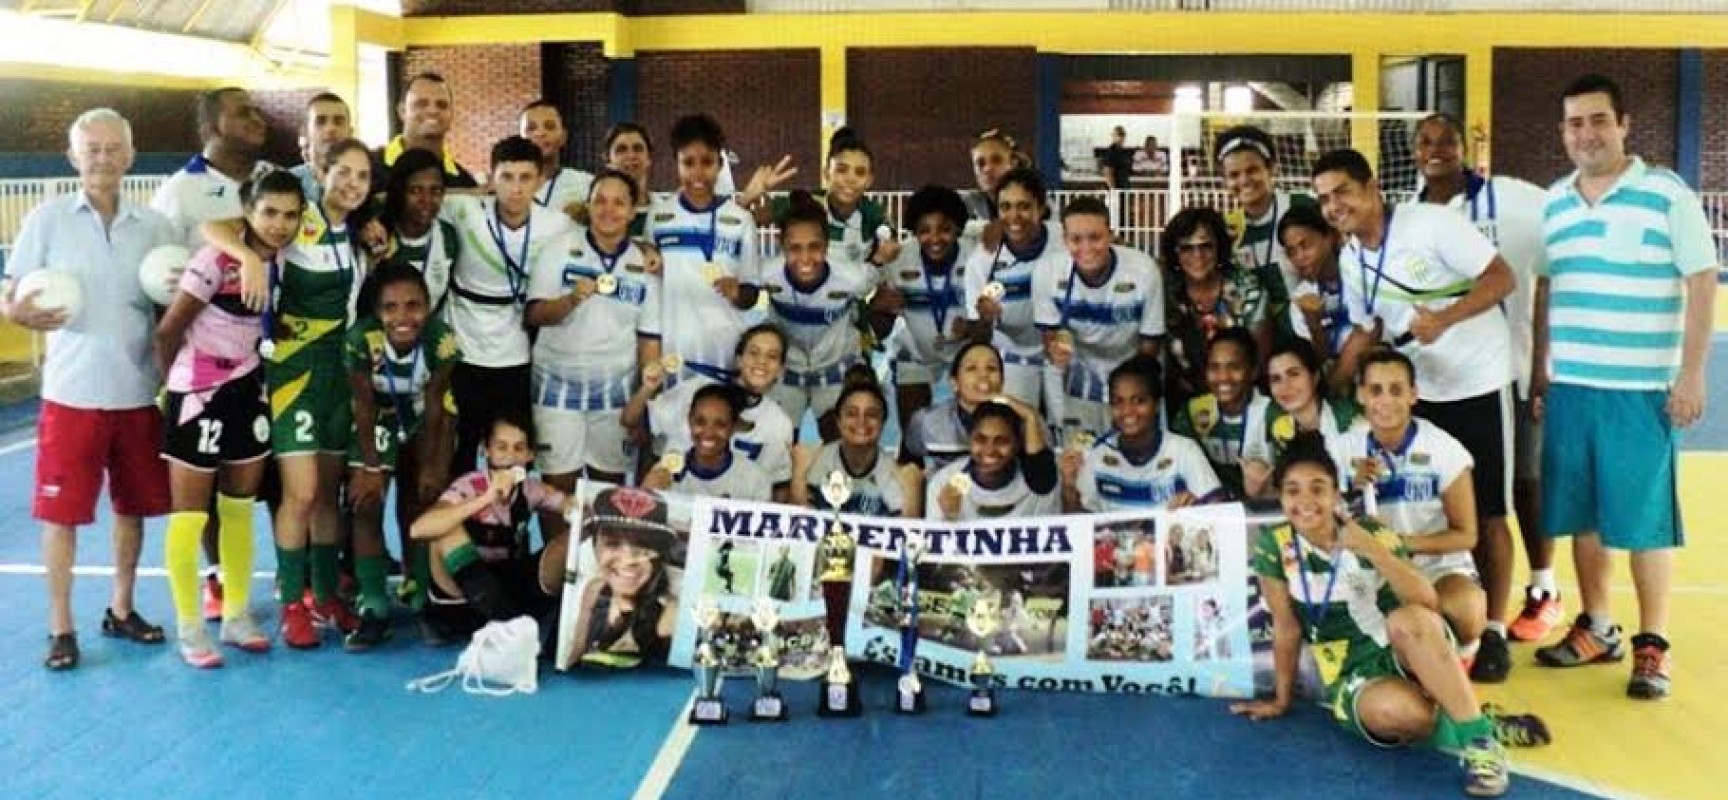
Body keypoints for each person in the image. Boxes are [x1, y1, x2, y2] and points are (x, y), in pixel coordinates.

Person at [1531, 74, 1718, 700]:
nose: (1586, 133)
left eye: (1597, 120)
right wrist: (1541, 372)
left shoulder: (1667, 196)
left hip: (1640, 391)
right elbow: (1545, 288)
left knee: (1642, 523)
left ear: (1624, 124)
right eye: (1574, 122)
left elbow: (1701, 280)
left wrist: (1692, 373)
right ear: (1563, 133)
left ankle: (1653, 643)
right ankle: (1598, 627)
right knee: (1582, 517)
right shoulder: (1554, 203)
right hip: (1572, 388)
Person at [1231, 432, 1550, 798]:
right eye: (1293, 490)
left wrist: (1373, 550)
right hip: (1350, 669)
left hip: (1403, 647)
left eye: (1317, 488)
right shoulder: (1275, 545)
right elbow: (1286, 628)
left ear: (1336, 493)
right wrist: (1281, 699)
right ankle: (1478, 721)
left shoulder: (1369, 530)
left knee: (1410, 619)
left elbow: (1426, 601)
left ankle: (1480, 744)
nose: (1305, 501)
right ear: (1281, 496)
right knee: (1405, 716)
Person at [1312, 147, 1520, 683]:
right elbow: (1367, 330)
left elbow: (1502, 278)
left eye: (1342, 193)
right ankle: (1428, 615)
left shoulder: (1431, 223)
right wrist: (1330, 383)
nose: (1334, 206)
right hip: (1415, 394)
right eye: (1324, 200)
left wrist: (1446, 318)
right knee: (1414, 497)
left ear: (1372, 187)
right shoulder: (1353, 258)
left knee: (1490, 511)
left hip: (1478, 380)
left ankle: (1493, 629)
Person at [3, 109, 177, 670]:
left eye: (112, 148)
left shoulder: (155, 228)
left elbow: (175, 299)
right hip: (71, 396)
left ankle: (121, 608)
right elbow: (11, 295)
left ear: (129, 155)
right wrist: (17, 312)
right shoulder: (46, 220)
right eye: (91, 149)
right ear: (74, 157)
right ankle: (61, 627)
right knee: (62, 516)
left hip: (136, 393)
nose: (102, 158)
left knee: (133, 509)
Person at [202, 137, 376, 647]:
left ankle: (325, 597)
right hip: (292, 375)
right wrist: (247, 258)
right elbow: (212, 225)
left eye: (362, 176)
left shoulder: (358, 235)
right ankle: (291, 604)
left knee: (326, 495)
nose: (351, 183)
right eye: (343, 171)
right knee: (298, 494)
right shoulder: (300, 220)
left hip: (337, 377)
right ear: (322, 172)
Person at [1407, 112, 1564, 646]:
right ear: (1412, 151)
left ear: (1465, 147)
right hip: (1441, 380)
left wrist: (1543, 361)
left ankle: (1543, 589)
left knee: (1524, 484)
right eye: (1426, 142)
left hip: (1513, 369)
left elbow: (1546, 272)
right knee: (1459, 494)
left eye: (1446, 140)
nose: (1437, 149)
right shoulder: (1410, 213)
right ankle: (1469, 600)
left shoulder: (1513, 198)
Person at [153, 169, 304, 667]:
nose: (280, 224)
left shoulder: (281, 258)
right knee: (191, 513)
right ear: (249, 212)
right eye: (269, 213)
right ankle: (191, 626)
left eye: (290, 214)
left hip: (247, 390)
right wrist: (168, 396)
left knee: (239, 506)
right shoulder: (215, 259)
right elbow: (168, 330)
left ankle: (237, 614)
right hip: (196, 393)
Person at [1330, 350, 1488, 670]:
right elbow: (1318, 519)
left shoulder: (1445, 449)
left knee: (1465, 609)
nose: (1385, 400)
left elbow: (1467, 535)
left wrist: (1402, 543)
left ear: (1414, 395)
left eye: (1396, 390)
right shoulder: (1340, 449)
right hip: (1368, 571)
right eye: (1375, 390)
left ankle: (1457, 658)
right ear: (1360, 395)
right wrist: (1348, 491)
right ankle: (1411, 663)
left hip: (1436, 567)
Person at [526, 167, 661, 514]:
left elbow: (648, 339)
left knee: (608, 490)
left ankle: (597, 564)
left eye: (619, 203)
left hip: (614, 391)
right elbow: (534, 315)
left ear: (633, 211)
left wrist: (644, 400)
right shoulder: (558, 250)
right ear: (587, 206)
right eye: (599, 200)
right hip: (555, 386)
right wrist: (568, 301)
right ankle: (554, 568)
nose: (608, 210)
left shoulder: (644, 266)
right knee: (558, 490)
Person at [441, 136, 574, 476]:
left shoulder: (556, 224)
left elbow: (599, 238)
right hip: (464, 347)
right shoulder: (465, 209)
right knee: (464, 445)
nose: (516, 189)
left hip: (516, 348)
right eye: (507, 177)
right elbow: (415, 197)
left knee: (512, 446)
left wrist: (645, 249)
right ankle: (462, 524)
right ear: (491, 176)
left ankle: (508, 524)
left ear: (541, 180)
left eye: (525, 178)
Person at [343, 264, 459, 650]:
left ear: (428, 307)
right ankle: (374, 605)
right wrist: (371, 467)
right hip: (376, 415)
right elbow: (361, 405)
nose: (403, 316)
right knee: (366, 504)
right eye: (390, 307)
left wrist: (430, 467)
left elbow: (435, 407)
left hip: (425, 415)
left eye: (413, 306)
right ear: (377, 311)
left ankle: (420, 593)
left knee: (423, 503)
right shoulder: (361, 339)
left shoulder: (441, 340)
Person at [410, 412, 574, 648]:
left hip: (505, 589)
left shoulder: (532, 489)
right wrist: (486, 498)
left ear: (530, 456)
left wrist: (573, 510)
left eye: (519, 449)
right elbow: (418, 529)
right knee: (446, 531)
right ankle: (510, 630)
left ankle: (565, 629)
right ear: (485, 451)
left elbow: (570, 503)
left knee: (574, 537)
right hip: (461, 599)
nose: (510, 457)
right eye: (501, 448)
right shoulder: (468, 486)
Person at [644, 113, 762, 386]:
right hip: (674, 352)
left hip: (726, 351)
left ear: (720, 164)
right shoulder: (658, 218)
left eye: (707, 162)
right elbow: (651, 285)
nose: (698, 173)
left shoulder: (741, 220)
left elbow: (752, 293)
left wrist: (738, 292)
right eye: (688, 163)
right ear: (677, 164)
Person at [1034, 195, 1163, 437]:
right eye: (1076, 239)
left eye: (1095, 238)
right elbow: (1049, 335)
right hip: (1081, 369)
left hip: (1131, 362)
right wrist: (1056, 350)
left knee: (1134, 445)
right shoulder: (1047, 272)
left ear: (1111, 235)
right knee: (1080, 451)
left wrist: (1131, 387)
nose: (1086, 248)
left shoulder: (1144, 270)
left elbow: (1151, 343)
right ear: (1064, 240)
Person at [627, 322, 795, 500]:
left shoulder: (779, 424)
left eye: (772, 356)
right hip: (675, 504)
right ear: (739, 359)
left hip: (730, 518)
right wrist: (647, 389)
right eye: (753, 353)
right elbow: (631, 421)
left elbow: (778, 490)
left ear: (781, 369)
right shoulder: (695, 390)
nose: (761, 361)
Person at [761, 190, 880, 428]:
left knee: (840, 443)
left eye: (814, 247)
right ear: (781, 245)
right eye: (794, 248)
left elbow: (877, 275)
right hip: (787, 373)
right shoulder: (765, 273)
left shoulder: (852, 277)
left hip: (835, 371)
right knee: (777, 441)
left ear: (827, 245)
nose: (805, 258)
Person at [870, 185, 973, 434]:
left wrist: (975, 326)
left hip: (965, 351)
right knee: (912, 438)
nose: (935, 239)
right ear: (914, 231)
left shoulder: (975, 257)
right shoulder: (898, 259)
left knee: (975, 434)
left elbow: (994, 323)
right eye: (924, 231)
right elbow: (879, 331)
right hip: (916, 351)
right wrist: (877, 308)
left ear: (958, 228)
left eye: (945, 230)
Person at [1063, 354, 1221, 513]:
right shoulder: (1098, 455)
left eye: (1139, 401)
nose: (1128, 411)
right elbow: (1079, 525)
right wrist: (1069, 489)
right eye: (1118, 402)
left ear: (1157, 405)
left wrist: (1197, 507)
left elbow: (1218, 510)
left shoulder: (1183, 450)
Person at [962, 167, 1066, 406]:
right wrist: (985, 319)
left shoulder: (1065, 240)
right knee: (1016, 430)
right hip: (1012, 355)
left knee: (1068, 430)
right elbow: (978, 336)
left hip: (1064, 351)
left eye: (1024, 206)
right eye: (1005, 207)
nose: (1014, 216)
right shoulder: (982, 260)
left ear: (1041, 208)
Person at [1159, 206, 1280, 408]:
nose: (1197, 255)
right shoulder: (1164, 291)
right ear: (1175, 253)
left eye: (1206, 246)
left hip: (1243, 400)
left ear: (1220, 248)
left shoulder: (1247, 288)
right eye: (1186, 248)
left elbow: (1258, 361)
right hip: (1181, 402)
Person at [567, 486, 682, 668]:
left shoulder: (670, 606)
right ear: (595, 546)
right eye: (613, 544)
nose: (628, 560)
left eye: (642, 547)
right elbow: (574, 654)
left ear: (659, 553)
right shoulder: (594, 589)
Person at [791, 369, 922, 518]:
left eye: (871, 414)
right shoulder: (815, 463)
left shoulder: (895, 475)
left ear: (883, 422)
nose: (861, 421)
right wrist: (798, 476)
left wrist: (913, 496)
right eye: (852, 414)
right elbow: (799, 527)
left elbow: (904, 536)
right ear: (838, 421)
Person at [1241, 338, 1360, 499]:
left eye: (1294, 374)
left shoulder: (1347, 417)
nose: (1285, 386)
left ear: (1315, 376)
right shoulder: (1273, 418)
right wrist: (1258, 486)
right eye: (1276, 379)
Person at [1214, 125, 1312, 310]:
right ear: (1224, 181)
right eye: (1234, 175)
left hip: (1311, 326)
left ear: (1272, 168)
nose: (1244, 180)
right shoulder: (1228, 228)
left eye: (1252, 170)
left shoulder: (1302, 206)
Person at [1169, 327, 1272, 499]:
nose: (1223, 377)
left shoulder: (1273, 414)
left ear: (1253, 371)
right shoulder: (1192, 412)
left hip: (1265, 509)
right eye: (1214, 367)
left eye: (1234, 367)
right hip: (1214, 509)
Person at [926, 397, 1056, 522]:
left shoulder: (1038, 484)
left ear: (1017, 444)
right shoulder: (943, 482)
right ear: (969, 441)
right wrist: (947, 518)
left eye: (1001, 441)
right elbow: (930, 542)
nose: (989, 450)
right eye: (980, 439)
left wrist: (1030, 417)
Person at [642, 383, 775, 502]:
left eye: (720, 424)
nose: (709, 432)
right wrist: (646, 492)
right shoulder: (664, 471)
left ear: (733, 426)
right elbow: (643, 524)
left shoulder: (755, 479)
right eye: (700, 422)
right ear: (689, 420)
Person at [375, 147, 457, 319]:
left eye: (435, 191)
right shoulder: (378, 234)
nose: (426, 200)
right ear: (399, 191)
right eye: (415, 190)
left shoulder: (449, 238)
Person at [901, 340, 1005, 471]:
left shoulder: (1020, 423)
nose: (983, 375)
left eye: (991, 368)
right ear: (954, 383)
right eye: (971, 368)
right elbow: (909, 465)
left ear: (1002, 382)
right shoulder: (925, 421)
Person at [1276, 203, 1355, 367]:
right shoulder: (1301, 297)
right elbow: (1318, 362)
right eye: (1292, 252)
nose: (1300, 257)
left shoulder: (1360, 274)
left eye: (1305, 245)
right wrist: (1314, 326)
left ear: (1330, 236)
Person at [375, 72, 478, 194]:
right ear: (402, 112)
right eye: (421, 104)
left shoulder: (465, 183)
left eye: (442, 105)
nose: (433, 111)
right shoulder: (369, 169)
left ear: (451, 116)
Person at [519, 100, 595, 216]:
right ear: (520, 139)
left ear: (563, 137)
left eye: (549, 127)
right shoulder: (504, 187)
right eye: (531, 128)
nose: (540, 133)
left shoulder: (586, 184)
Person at [288, 92, 352, 206]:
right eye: (320, 121)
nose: (330, 128)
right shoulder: (286, 183)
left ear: (350, 133)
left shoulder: (367, 183)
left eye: (338, 122)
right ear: (305, 133)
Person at [602, 122, 655, 235]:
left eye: (638, 149)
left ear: (649, 158)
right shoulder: (596, 214)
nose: (631, 156)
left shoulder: (667, 209)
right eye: (621, 150)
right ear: (608, 160)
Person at [1099, 125, 1135, 191]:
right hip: (1115, 188)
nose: (1120, 137)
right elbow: (1108, 172)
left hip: (1124, 187)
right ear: (1113, 136)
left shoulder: (1123, 152)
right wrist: (1113, 189)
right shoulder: (1111, 152)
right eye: (1118, 135)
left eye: (1122, 135)